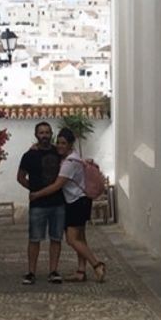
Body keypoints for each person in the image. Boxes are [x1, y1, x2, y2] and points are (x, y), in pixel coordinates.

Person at [30, 127, 106, 282]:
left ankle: (97, 264)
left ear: (70, 144)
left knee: (72, 239)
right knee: (81, 238)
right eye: (58, 142)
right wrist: (33, 148)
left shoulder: (69, 163)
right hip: (82, 201)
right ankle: (80, 271)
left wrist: (37, 194)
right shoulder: (73, 157)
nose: (59, 145)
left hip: (76, 203)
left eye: (63, 143)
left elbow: (57, 185)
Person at [17, 120, 65, 285]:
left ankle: (53, 271)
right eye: (41, 132)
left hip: (58, 202)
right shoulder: (29, 155)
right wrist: (33, 189)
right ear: (36, 135)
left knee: (56, 238)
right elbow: (20, 177)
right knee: (34, 239)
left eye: (47, 132)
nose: (44, 135)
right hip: (38, 205)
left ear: (52, 134)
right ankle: (31, 272)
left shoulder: (59, 153)